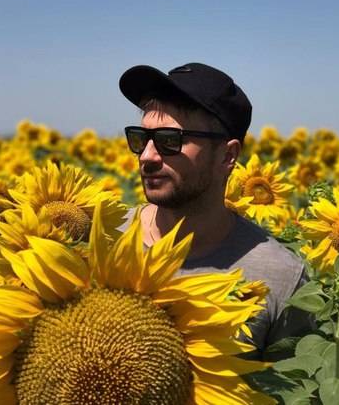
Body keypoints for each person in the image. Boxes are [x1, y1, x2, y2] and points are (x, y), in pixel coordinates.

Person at [118, 62, 314, 360]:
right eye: (140, 139)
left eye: (170, 141)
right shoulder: (101, 239)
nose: (146, 156)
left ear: (227, 155)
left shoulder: (280, 278)